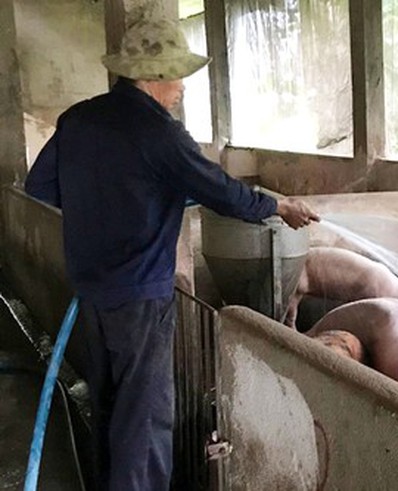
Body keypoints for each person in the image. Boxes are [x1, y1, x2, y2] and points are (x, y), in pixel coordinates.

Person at [24, 15, 320, 491]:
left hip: (90, 289)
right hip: (140, 297)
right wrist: (279, 205)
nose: (181, 86)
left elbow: (41, 186)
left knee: (109, 405)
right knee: (144, 419)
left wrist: (102, 204)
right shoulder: (160, 133)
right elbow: (222, 192)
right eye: (176, 74)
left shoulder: (78, 119)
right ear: (153, 77)